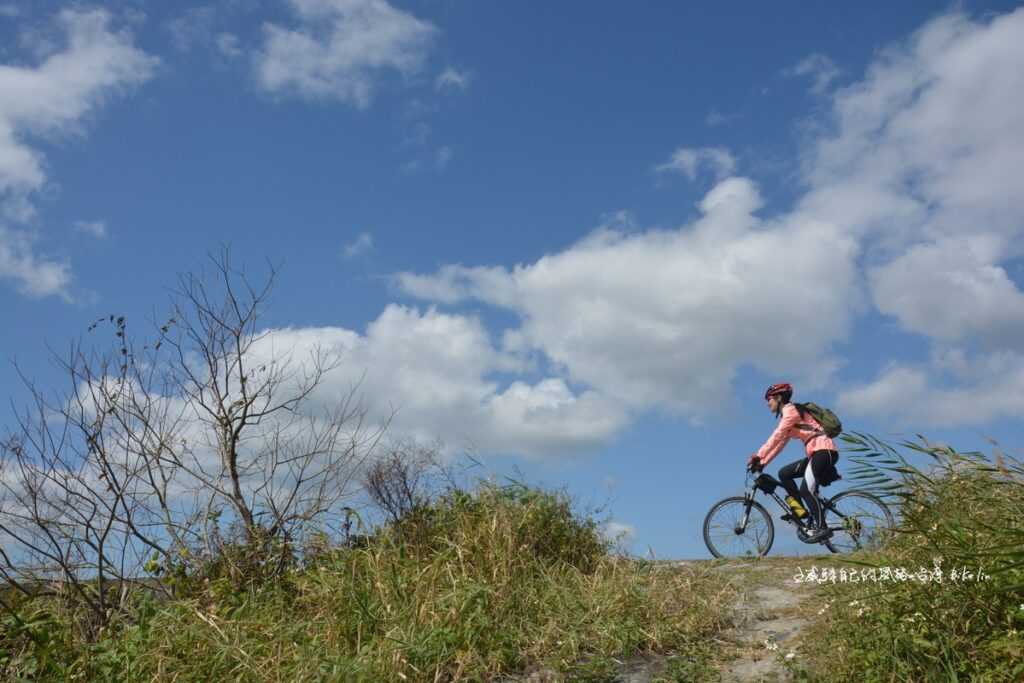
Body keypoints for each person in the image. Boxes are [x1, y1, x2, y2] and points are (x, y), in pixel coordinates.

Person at [746, 383, 839, 543]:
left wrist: (758, 455)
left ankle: (823, 528)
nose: (768, 403)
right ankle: (801, 511)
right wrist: (763, 463)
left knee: (806, 490)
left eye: (770, 399)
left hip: (824, 451)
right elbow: (780, 444)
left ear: (779, 398)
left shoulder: (790, 411)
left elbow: (777, 435)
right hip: (816, 453)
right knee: (784, 473)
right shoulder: (788, 416)